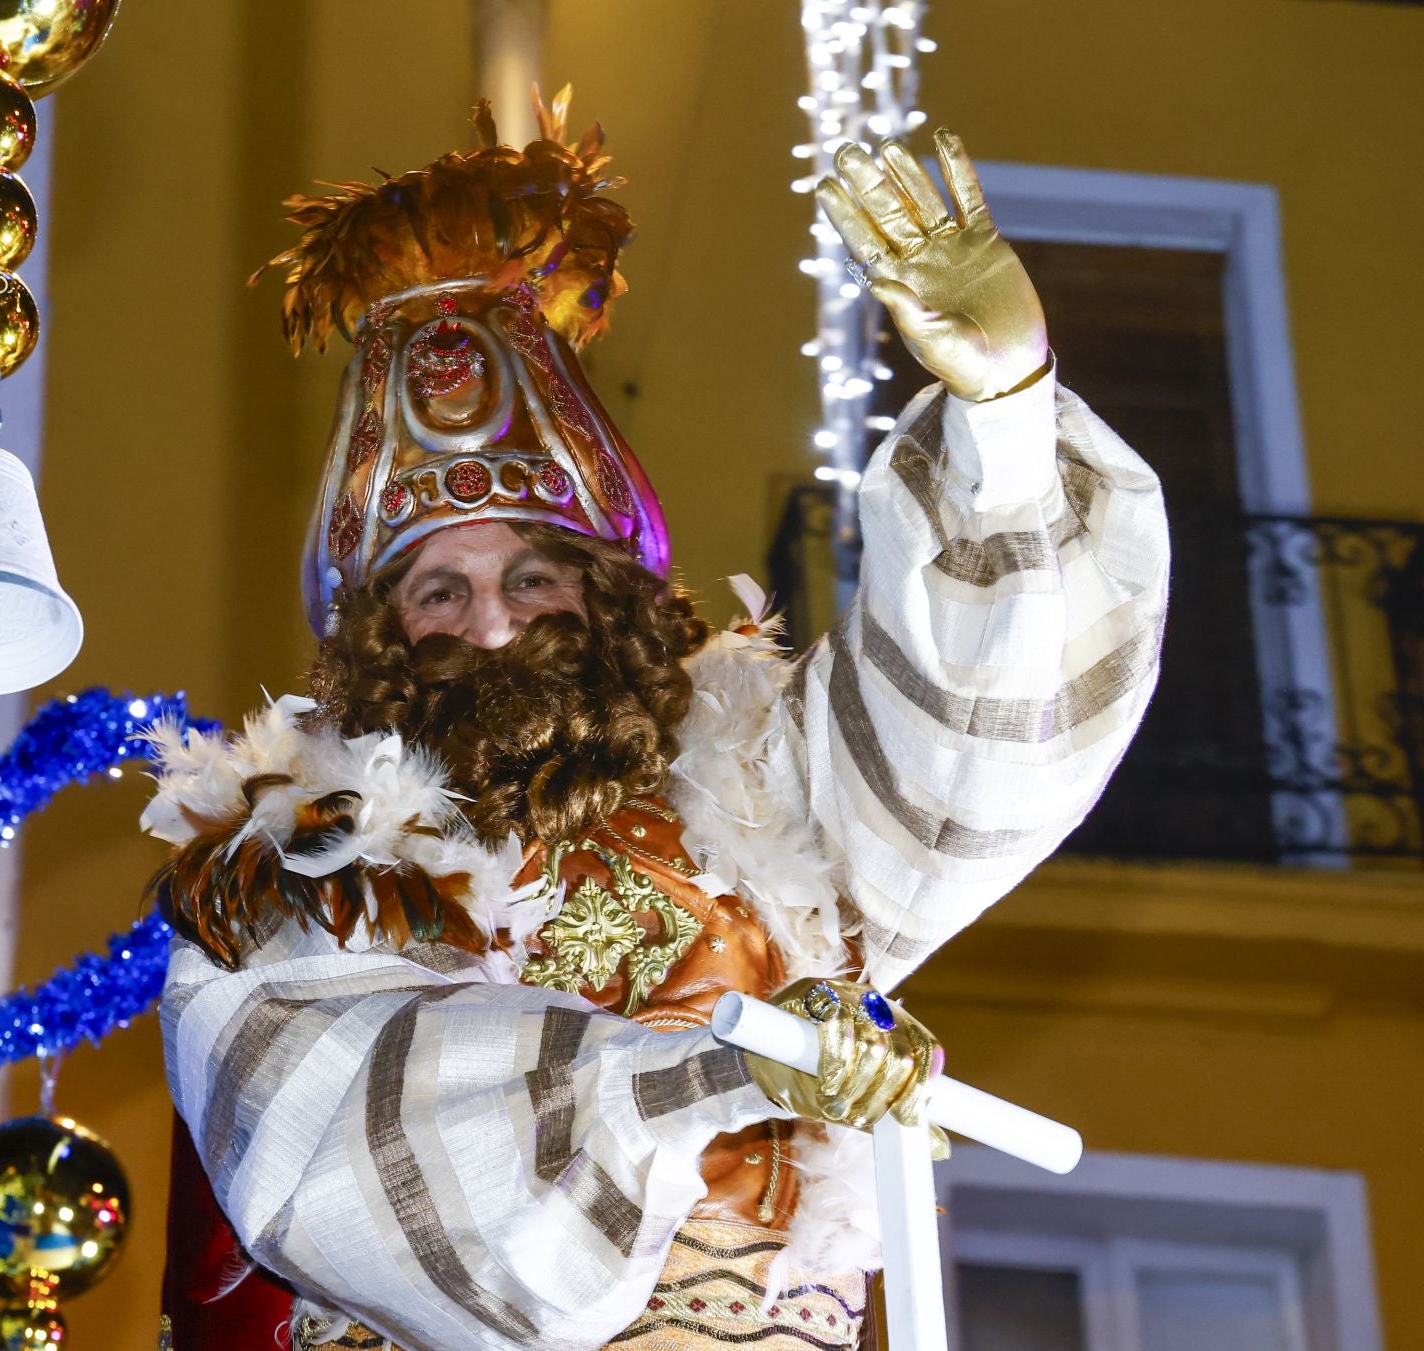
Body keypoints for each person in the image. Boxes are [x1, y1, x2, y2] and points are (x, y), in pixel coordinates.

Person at [147, 95, 1168, 1351]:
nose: (499, 621)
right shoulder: (294, 870)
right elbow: (334, 1144)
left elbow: (980, 739)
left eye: (534, 576)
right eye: (439, 591)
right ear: (377, 640)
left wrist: (1004, 412)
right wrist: (728, 1071)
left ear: (606, 593)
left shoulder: (755, 779)